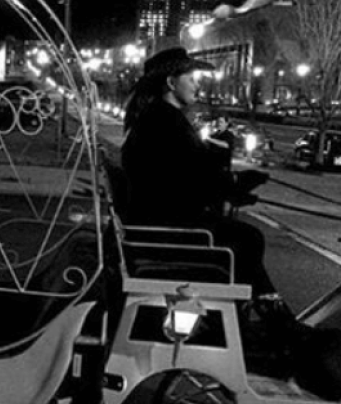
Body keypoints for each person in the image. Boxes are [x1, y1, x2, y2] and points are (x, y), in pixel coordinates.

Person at [120, 47, 288, 324]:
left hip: (158, 218)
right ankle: (265, 315)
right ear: (172, 83)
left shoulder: (157, 117)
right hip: (165, 227)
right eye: (191, 77)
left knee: (244, 236)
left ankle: (260, 311)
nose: (197, 84)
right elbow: (189, 178)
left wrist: (233, 184)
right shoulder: (164, 121)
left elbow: (186, 172)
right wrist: (233, 184)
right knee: (248, 238)